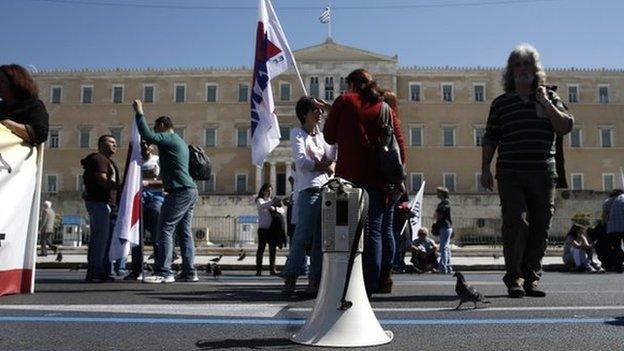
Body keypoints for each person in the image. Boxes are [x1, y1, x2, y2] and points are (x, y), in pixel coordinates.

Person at [481, 44, 574, 298]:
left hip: (543, 173)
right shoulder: (501, 103)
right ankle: (514, 278)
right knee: (517, 222)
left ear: (535, 70)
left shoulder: (550, 98)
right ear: (511, 72)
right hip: (511, 173)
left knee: (540, 226)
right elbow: (490, 138)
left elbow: (565, 126)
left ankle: (531, 277)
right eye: (518, 65)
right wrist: (484, 169)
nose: (523, 69)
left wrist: (545, 102)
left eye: (527, 65)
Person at [323, 69, 407, 295]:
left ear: (351, 84)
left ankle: (350, 281)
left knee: (346, 232)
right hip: (377, 179)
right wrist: (398, 176)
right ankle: (375, 282)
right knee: (376, 232)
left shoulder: (344, 100)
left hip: (348, 178)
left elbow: (329, 136)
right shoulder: (384, 108)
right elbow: (399, 144)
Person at [132, 100, 199, 283]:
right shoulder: (180, 142)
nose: (155, 131)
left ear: (162, 125)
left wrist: (139, 112)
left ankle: (164, 271)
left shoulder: (168, 138)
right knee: (184, 232)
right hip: (190, 190)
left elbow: (146, 134)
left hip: (180, 191)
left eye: (156, 127)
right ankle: (189, 271)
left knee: (164, 229)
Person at [281, 96, 336, 296]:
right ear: (304, 113)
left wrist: (332, 113)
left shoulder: (322, 137)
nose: (319, 113)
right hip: (310, 190)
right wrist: (325, 165)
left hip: (326, 189)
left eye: (321, 110)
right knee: (302, 236)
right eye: (315, 109)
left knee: (321, 239)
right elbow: (302, 162)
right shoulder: (297, 133)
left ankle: (315, 280)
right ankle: (291, 275)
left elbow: (333, 156)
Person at [81, 134, 121, 282]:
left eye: (115, 142)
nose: (115, 145)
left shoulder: (107, 161)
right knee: (99, 239)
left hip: (105, 204)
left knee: (103, 239)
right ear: (102, 144)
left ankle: (100, 270)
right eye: (111, 142)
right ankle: (94, 272)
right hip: (99, 203)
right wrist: (121, 187)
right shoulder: (99, 159)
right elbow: (102, 180)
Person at [123, 140, 164, 280]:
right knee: (136, 237)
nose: (145, 147)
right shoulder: (134, 162)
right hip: (138, 202)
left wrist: (147, 182)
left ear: (152, 146)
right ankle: (137, 270)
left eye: (147, 144)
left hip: (155, 201)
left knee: (157, 237)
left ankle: (159, 268)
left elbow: (165, 181)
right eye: (141, 144)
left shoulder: (158, 160)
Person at [0, 64, 49, 145]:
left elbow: (40, 134)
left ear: (15, 82)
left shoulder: (33, 106)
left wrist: (8, 124)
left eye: (2, 81)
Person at [255, 184, 283, 276]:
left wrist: (275, 207)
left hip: (272, 229)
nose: (270, 192)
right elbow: (261, 206)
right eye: (268, 190)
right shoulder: (260, 200)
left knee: (272, 250)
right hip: (263, 229)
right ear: (263, 191)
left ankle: (272, 269)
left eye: (271, 190)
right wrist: (272, 204)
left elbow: (282, 210)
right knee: (261, 249)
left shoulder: (272, 201)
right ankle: (259, 269)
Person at [602, 189, 624, 273]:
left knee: (616, 247)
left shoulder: (607, 201)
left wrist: (604, 224)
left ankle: (618, 267)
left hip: (612, 229)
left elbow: (604, 216)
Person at [434, 187, 453, 274]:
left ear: (442, 193)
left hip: (445, 227)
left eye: (438, 192)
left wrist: (437, 214)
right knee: (446, 247)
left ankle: (442, 267)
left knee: (443, 247)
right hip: (446, 227)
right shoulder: (443, 203)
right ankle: (448, 267)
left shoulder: (445, 203)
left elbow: (438, 214)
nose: (437, 194)